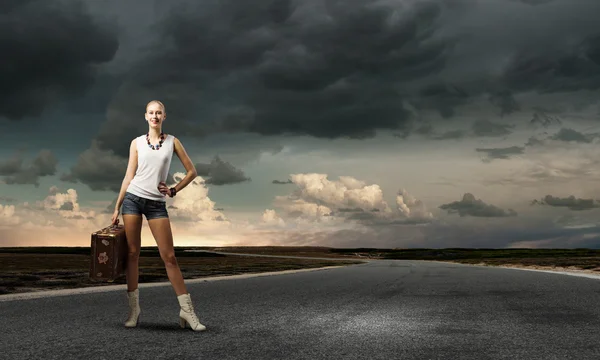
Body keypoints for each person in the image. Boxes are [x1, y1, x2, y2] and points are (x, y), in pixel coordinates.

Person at [111, 100, 206, 331]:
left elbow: (192, 172)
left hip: (156, 204)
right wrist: (117, 207)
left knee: (169, 257)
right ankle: (134, 310)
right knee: (132, 254)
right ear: (145, 116)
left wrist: (173, 189)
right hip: (132, 200)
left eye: (158, 113)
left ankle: (187, 311)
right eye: (151, 113)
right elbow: (128, 176)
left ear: (164, 116)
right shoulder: (136, 143)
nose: (155, 116)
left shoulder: (173, 142)